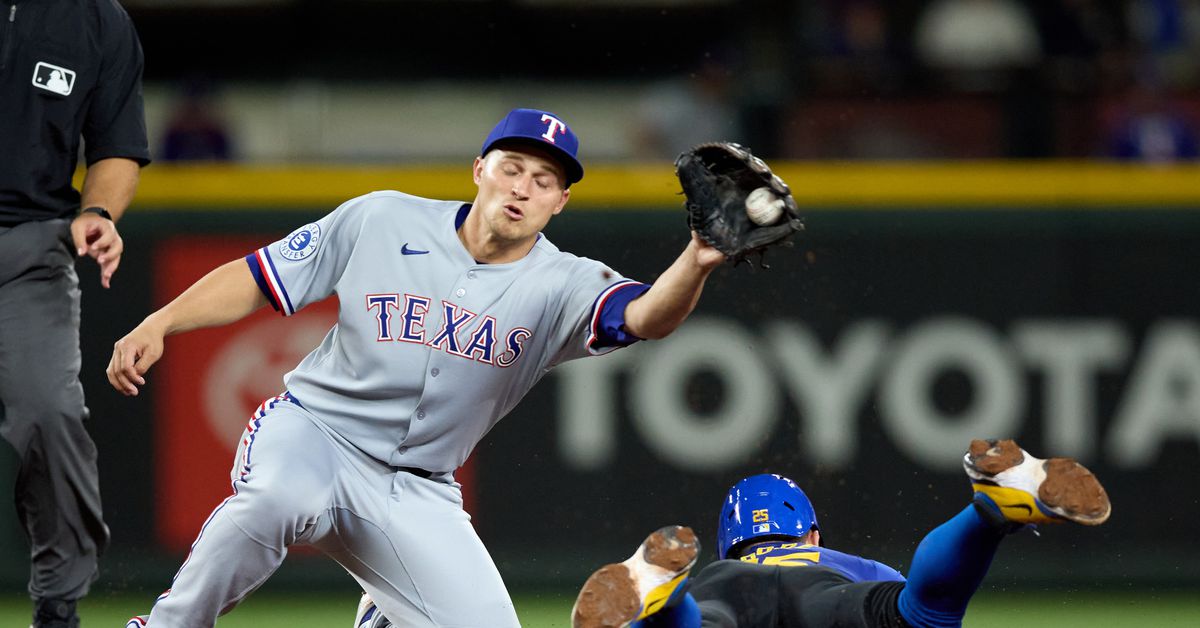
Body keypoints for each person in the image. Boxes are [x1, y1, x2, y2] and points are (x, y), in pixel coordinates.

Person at [109, 107, 728, 627]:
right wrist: (160, 322)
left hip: (418, 487)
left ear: (561, 202)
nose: (522, 188)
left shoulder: (562, 282)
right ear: (480, 169)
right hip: (316, 435)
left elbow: (648, 316)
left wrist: (698, 259)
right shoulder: (383, 218)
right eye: (512, 168)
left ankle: (385, 613)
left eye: (543, 181)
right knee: (274, 498)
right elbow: (258, 279)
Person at [571, 438, 1112, 628]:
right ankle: (988, 512)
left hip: (726, 595)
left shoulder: (727, 568)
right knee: (922, 615)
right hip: (827, 597)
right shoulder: (842, 562)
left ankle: (663, 600)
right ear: (809, 535)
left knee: (700, 624)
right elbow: (921, 604)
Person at [0, 1, 149, 626]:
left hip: (29, 249)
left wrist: (99, 214)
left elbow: (116, 147)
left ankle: (58, 605)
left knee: (51, 414)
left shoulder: (98, 20)